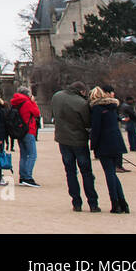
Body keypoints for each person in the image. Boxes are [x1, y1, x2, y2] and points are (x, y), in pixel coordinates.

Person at [50, 81, 100, 212]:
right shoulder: (81, 103)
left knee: (70, 172)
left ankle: (76, 202)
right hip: (79, 140)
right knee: (86, 172)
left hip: (62, 139)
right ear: (82, 91)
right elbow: (87, 122)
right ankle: (92, 202)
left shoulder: (57, 96)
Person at [89, 84, 129, 214]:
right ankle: (122, 202)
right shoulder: (112, 107)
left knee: (109, 173)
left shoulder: (97, 109)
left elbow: (96, 129)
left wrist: (93, 145)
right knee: (112, 173)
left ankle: (116, 203)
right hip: (116, 142)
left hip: (104, 143)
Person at [8, 90, 41, 187]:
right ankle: (28, 177)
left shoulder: (15, 102)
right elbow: (36, 113)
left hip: (20, 130)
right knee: (32, 155)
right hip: (28, 130)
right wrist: (33, 102)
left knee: (23, 155)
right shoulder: (27, 102)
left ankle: (22, 176)